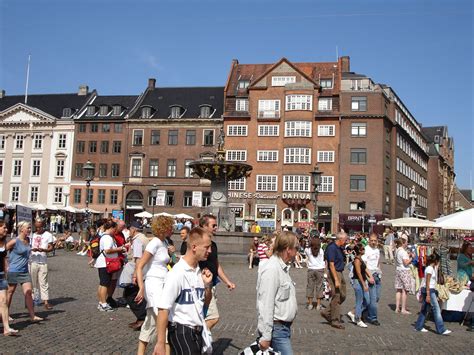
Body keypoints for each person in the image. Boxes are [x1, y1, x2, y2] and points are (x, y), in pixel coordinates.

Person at [153, 227, 213, 355]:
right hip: (181, 330)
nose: (210, 251)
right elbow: (163, 309)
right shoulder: (177, 273)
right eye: (207, 247)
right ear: (194, 247)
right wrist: (160, 343)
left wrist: (207, 285)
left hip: (198, 330)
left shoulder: (199, 271)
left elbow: (205, 303)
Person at [135, 216, 173, 355]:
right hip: (154, 283)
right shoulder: (155, 243)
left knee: (151, 321)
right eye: (170, 226)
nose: (173, 229)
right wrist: (141, 287)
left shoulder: (164, 242)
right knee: (165, 319)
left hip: (162, 283)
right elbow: (140, 266)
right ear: (164, 228)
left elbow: (164, 263)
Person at [257, 231, 298, 354]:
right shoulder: (272, 269)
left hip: (283, 328)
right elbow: (265, 304)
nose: (298, 250)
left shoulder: (283, 267)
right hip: (276, 330)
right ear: (288, 249)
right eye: (297, 247)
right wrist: (266, 336)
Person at [198, 214, 235, 330]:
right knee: (213, 317)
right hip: (202, 284)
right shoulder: (197, 244)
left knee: (203, 315)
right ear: (204, 226)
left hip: (212, 283)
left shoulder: (213, 245)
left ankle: (200, 342)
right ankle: (198, 337)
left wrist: (227, 281)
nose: (216, 228)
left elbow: (216, 265)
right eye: (213, 225)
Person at [6, 221, 43, 322]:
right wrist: (6, 265)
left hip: (24, 271)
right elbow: (3, 251)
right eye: (28, 228)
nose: (30, 230)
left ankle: (32, 316)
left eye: (30, 228)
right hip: (14, 270)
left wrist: (33, 249)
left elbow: (25, 251)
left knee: (28, 292)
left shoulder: (28, 240)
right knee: (10, 292)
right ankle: (5, 314)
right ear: (21, 229)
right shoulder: (15, 241)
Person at [415, 253, 452, 335]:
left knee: (425, 309)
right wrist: (428, 294)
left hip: (428, 289)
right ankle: (441, 329)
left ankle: (419, 326)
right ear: (436, 261)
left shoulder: (430, 268)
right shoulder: (430, 269)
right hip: (430, 290)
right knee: (436, 309)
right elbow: (427, 281)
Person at [123, 221, 150, 331]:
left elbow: (137, 258)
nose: (129, 231)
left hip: (140, 271)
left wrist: (134, 275)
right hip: (144, 270)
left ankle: (142, 317)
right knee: (136, 294)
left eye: (130, 230)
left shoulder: (138, 240)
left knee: (130, 294)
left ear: (133, 229)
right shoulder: (144, 238)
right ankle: (143, 317)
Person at [321, 231, 348, 329]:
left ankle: (327, 311)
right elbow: (331, 265)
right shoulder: (332, 248)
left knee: (343, 295)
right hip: (335, 272)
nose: (346, 242)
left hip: (340, 271)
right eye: (345, 240)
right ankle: (335, 320)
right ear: (340, 240)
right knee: (337, 296)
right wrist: (336, 279)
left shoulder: (339, 247)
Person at [94, 220, 123, 312]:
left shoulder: (105, 237)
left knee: (103, 283)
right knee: (105, 284)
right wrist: (119, 249)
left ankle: (101, 302)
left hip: (103, 263)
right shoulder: (107, 238)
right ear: (111, 228)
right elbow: (107, 250)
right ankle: (103, 303)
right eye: (114, 229)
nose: (115, 231)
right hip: (105, 263)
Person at [30, 218, 54, 309]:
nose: (38, 229)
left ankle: (46, 301)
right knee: (33, 282)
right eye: (36, 227)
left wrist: (44, 250)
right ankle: (34, 299)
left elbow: (51, 247)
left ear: (43, 226)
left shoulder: (48, 235)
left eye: (39, 227)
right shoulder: (32, 234)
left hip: (43, 261)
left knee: (43, 282)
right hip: (32, 260)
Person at [347, 243, 374, 328]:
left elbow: (365, 269)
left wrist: (371, 277)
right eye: (363, 249)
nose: (364, 250)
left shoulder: (360, 259)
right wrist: (364, 285)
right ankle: (358, 319)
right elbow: (358, 274)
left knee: (367, 301)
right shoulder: (357, 260)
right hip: (358, 282)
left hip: (362, 281)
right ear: (360, 250)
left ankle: (353, 313)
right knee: (359, 301)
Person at [0, 221, 19, 336]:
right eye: (4, 228)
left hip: (1, 275)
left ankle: (6, 328)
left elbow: (4, 258)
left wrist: (7, 267)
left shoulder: (3, 242)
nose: (6, 230)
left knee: (4, 301)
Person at [362, 233, 382, 326]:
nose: (373, 242)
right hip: (370, 275)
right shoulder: (366, 250)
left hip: (377, 275)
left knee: (377, 297)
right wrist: (368, 277)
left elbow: (378, 262)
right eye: (372, 240)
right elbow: (364, 265)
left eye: (375, 240)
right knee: (373, 299)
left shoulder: (377, 250)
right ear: (369, 240)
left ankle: (362, 311)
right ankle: (373, 318)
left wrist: (379, 270)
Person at [394, 236, 414, 314]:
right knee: (405, 290)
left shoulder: (397, 250)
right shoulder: (403, 252)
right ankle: (403, 309)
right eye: (406, 242)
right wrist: (411, 258)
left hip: (398, 270)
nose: (407, 244)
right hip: (404, 271)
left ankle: (397, 308)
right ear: (403, 243)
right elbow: (406, 263)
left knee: (398, 289)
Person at [304, 238, 325, 310]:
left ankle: (310, 304)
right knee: (319, 286)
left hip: (311, 269)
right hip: (320, 269)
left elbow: (306, 249)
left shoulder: (308, 250)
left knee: (310, 286)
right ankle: (318, 305)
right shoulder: (321, 250)